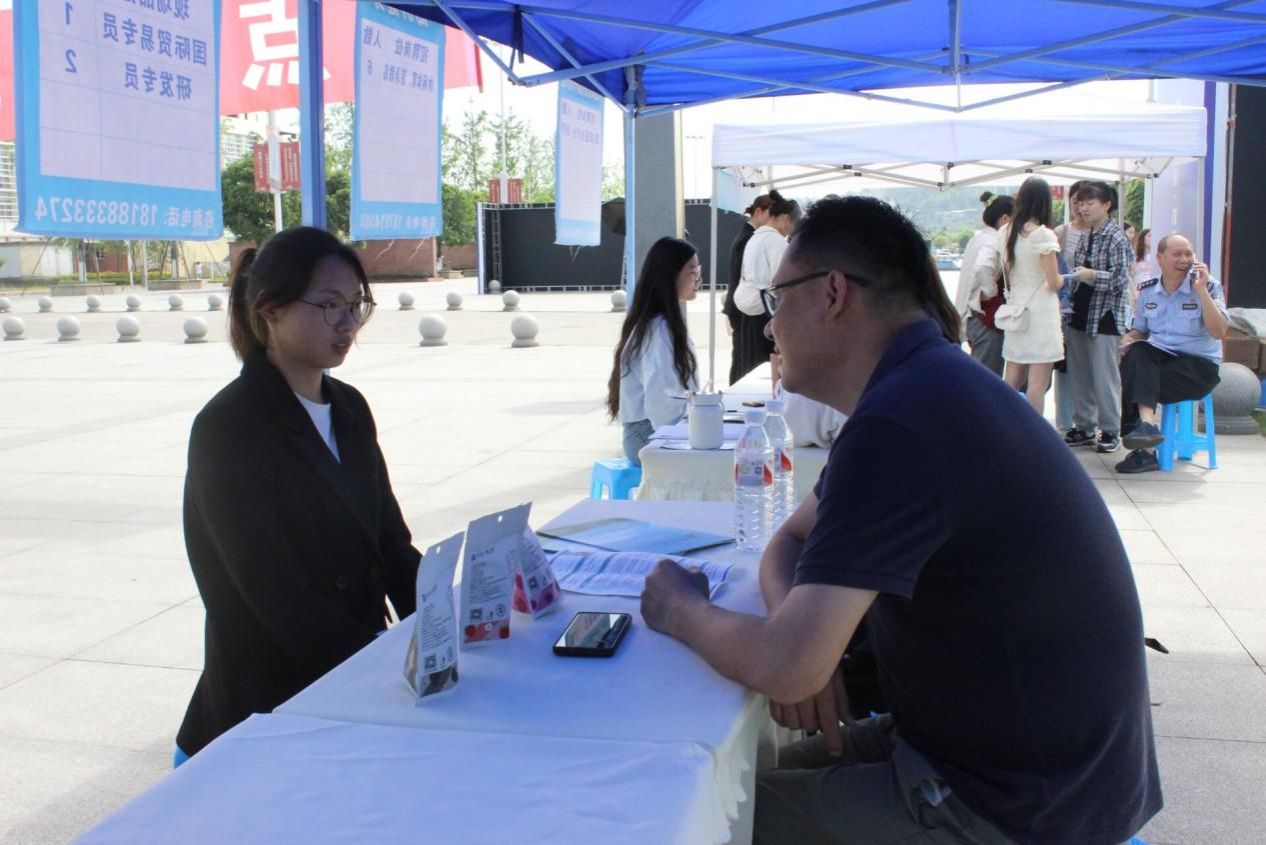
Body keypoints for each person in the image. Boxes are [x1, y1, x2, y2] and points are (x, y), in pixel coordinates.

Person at [640, 196, 1161, 845]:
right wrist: (802, 636)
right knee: (726, 785)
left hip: (1021, 803)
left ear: (833, 293)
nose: (770, 329)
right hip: (1000, 754)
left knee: (698, 823)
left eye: (779, 301)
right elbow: (792, 540)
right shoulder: (922, 387)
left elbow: (787, 665)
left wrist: (678, 607)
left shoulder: (903, 420)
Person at [178, 227, 421, 762]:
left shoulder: (349, 407)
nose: (348, 323)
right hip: (270, 709)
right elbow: (272, 593)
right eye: (329, 305)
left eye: (356, 305)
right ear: (269, 310)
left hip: (357, 682)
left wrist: (443, 621)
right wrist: (382, 663)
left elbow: (390, 543)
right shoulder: (229, 427)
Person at [1115, 233, 1228, 474]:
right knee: (1136, 354)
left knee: (1136, 375)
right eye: (1177, 254)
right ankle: (1147, 428)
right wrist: (1127, 340)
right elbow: (1139, 331)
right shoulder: (1148, 290)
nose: (1184, 260)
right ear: (1160, 258)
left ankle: (1144, 448)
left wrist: (1201, 291)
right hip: (1160, 360)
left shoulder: (1209, 286)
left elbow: (1219, 331)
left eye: (1188, 254)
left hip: (1198, 366)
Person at [607, 237, 701, 465]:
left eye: (699, 270)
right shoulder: (658, 330)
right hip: (649, 435)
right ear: (670, 275)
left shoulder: (659, 324)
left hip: (653, 429)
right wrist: (688, 433)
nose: (698, 278)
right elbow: (662, 401)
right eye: (692, 271)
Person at [1064, 181, 1133, 453]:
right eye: (1080, 203)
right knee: (1080, 373)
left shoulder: (1116, 237)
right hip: (1080, 311)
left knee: (1105, 375)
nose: (1083, 208)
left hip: (1104, 314)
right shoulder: (1086, 234)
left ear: (1107, 205)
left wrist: (1092, 275)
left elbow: (1120, 279)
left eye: (1089, 203)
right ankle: (1084, 425)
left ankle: (1111, 429)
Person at [997, 177, 1065, 414]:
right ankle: (1034, 431)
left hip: (1016, 310)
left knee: (1012, 377)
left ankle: (1003, 424)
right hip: (1041, 312)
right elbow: (1053, 282)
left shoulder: (1006, 232)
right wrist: (1066, 278)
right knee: (1037, 383)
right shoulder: (1042, 235)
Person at [730, 190, 801, 383]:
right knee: (765, 366)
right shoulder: (775, 241)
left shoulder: (756, 238)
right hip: (765, 310)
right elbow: (783, 281)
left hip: (750, 306)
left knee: (751, 364)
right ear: (785, 218)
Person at [954, 192, 1013, 376]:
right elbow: (982, 268)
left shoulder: (978, 238)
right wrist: (990, 291)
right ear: (1005, 219)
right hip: (985, 319)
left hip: (972, 316)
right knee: (986, 379)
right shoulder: (994, 241)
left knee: (980, 377)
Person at [724, 194, 774, 384]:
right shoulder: (748, 238)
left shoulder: (751, 236)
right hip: (745, 310)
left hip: (744, 308)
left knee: (744, 359)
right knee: (747, 362)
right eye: (771, 214)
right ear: (758, 211)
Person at [1130, 227, 1157, 303]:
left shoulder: (1157, 257)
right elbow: (1130, 277)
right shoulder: (1134, 257)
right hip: (1138, 293)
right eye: (1149, 235)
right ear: (1142, 239)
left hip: (1154, 292)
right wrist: (1134, 294)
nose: (1152, 238)